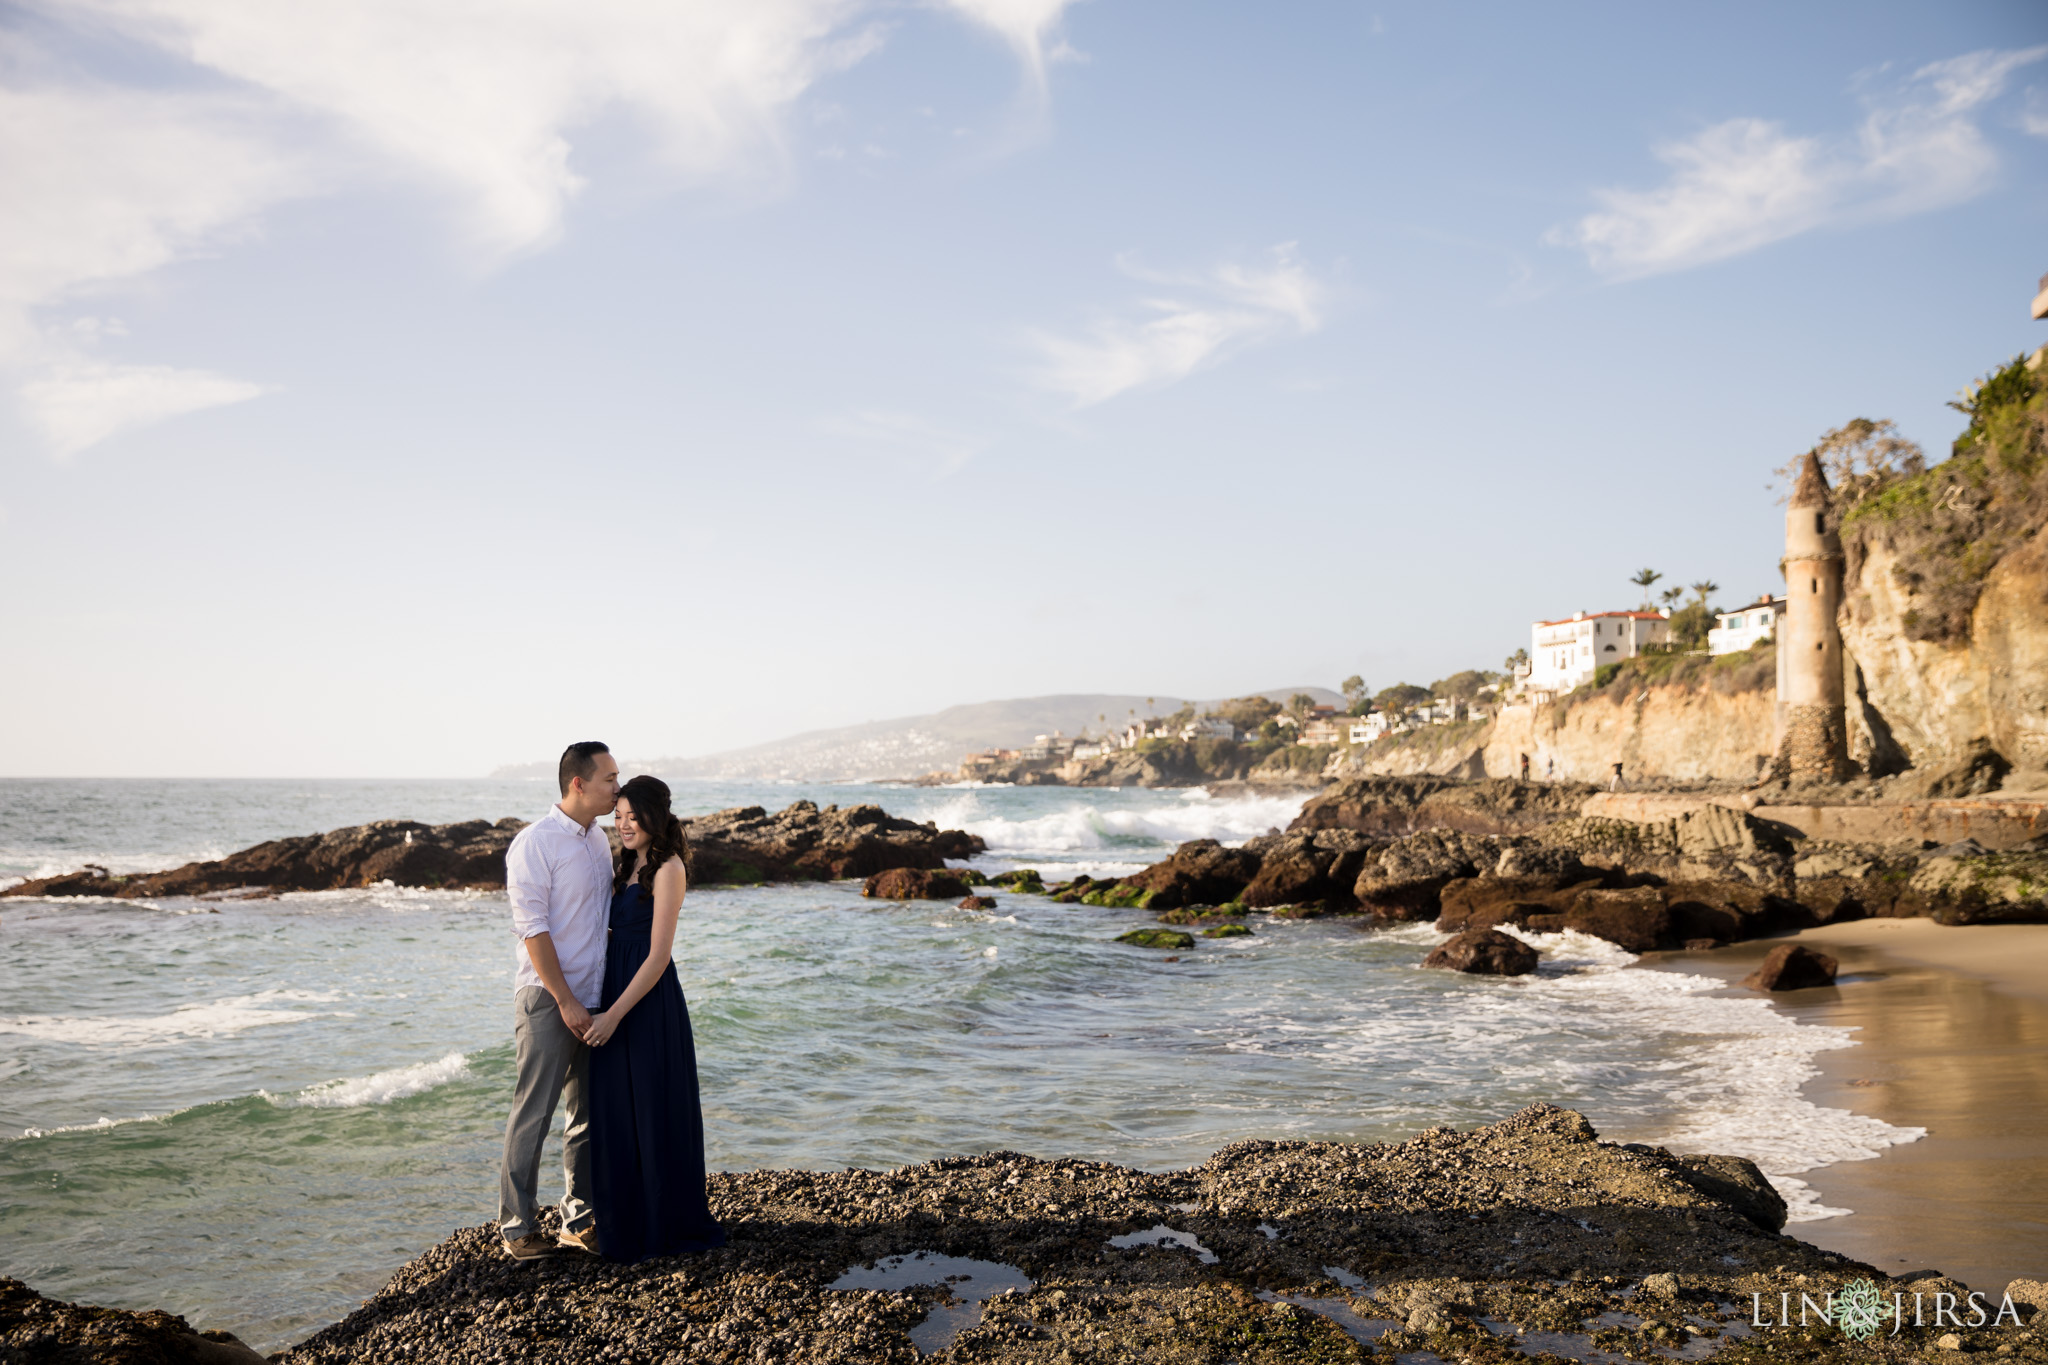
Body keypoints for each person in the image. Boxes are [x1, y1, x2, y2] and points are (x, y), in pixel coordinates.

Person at [584, 775, 726, 1262]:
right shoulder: (624, 864)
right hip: (611, 993)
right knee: (616, 1113)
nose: (623, 825)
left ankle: (662, 1223)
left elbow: (659, 955)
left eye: (632, 816)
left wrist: (614, 1015)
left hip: (645, 1000)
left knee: (651, 1107)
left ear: (654, 817)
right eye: (617, 816)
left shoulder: (669, 868)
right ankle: (621, 1223)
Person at [498, 741, 619, 1259]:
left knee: (586, 1114)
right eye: (610, 778)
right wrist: (567, 1000)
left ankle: (577, 1214)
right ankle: (516, 1228)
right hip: (550, 998)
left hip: (596, 997)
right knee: (534, 1112)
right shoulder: (535, 844)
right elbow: (533, 929)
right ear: (579, 783)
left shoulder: (598, 841)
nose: (618, 785)